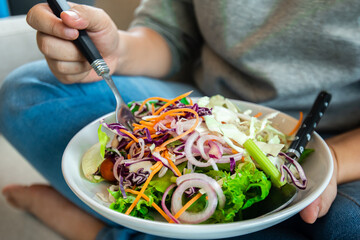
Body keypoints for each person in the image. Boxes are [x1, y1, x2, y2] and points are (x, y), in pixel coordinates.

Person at [1, 1, 359, 239]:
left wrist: (337, 160)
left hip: (345, 139)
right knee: (27, 92)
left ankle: (96, 231)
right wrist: (118, 51)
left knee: (346, 228)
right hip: (202, 105)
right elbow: (170, 36)